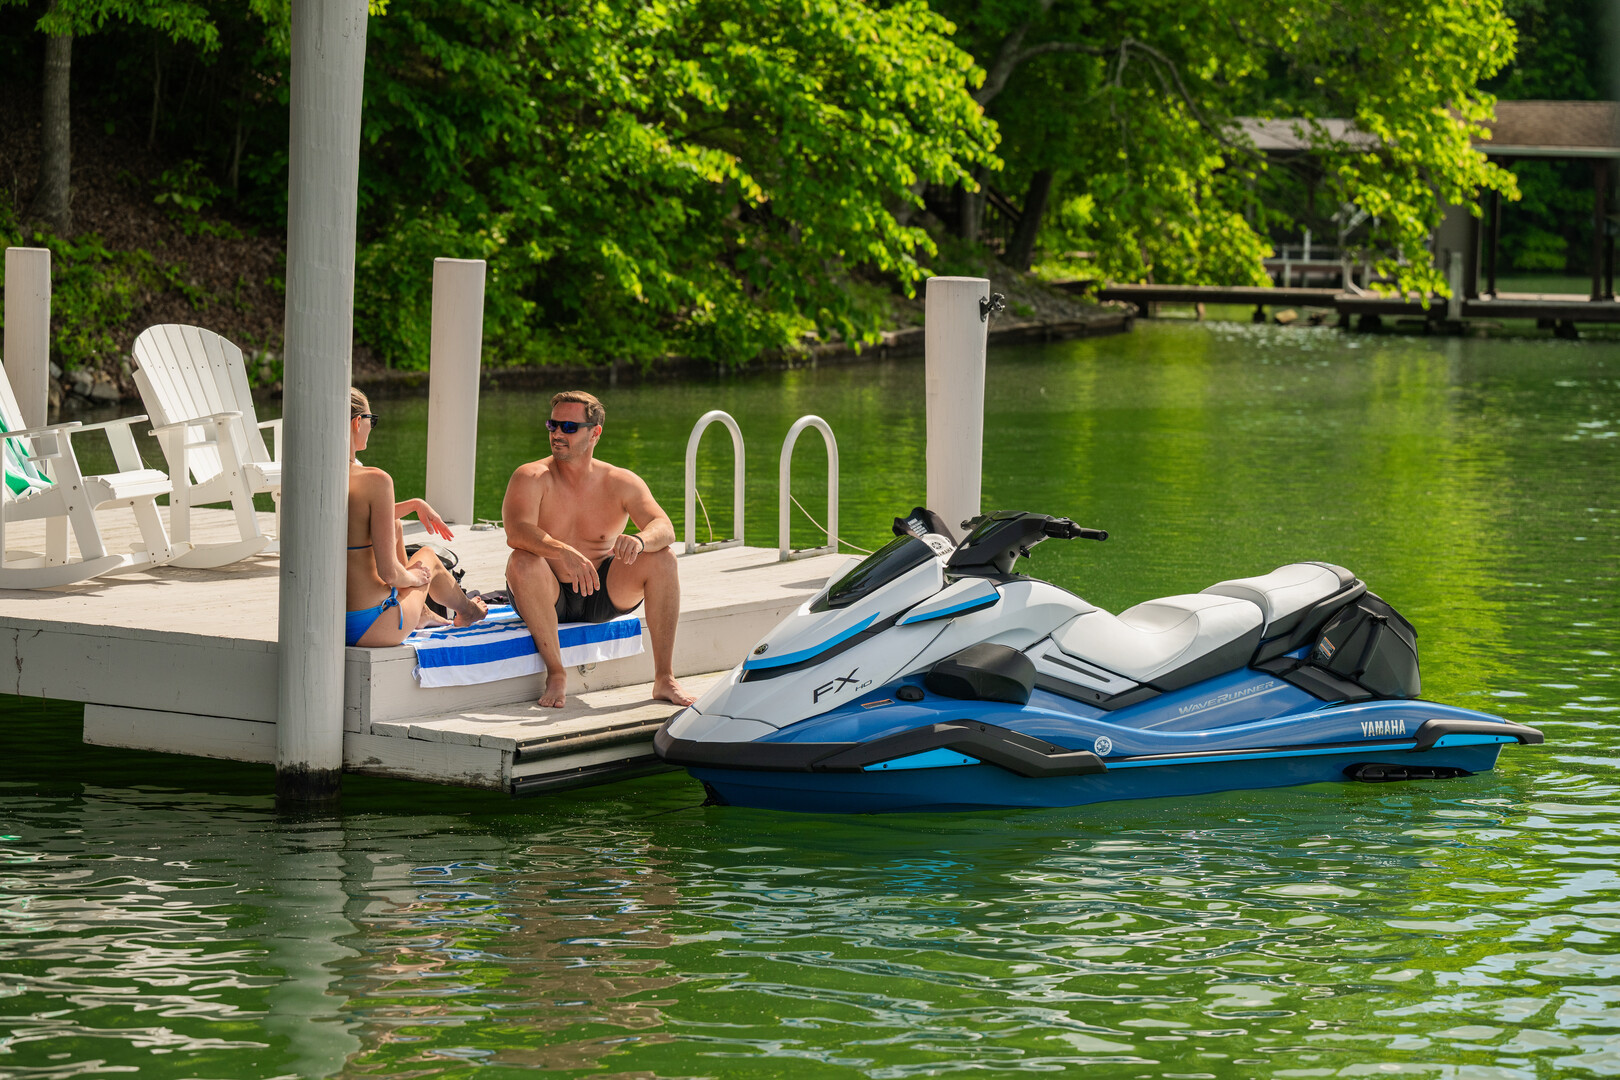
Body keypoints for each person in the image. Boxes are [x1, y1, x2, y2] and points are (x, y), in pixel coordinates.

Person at [504, 390, 693, 709]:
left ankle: (664, 678)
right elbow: (517, 531)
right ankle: (556, 673)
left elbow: (664, 527)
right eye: (552, 425)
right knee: (521, 560)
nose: (557, 433)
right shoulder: (532, 476)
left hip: (602, 591)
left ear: (595, 433)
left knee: (663, 558)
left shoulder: (620, 481)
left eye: (568, 427)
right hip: (548, 591)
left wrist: (640, 540)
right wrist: (560, 551)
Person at [346, 388, 487, 647]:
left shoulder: (320, 476)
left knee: (395, 524)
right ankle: (468, 611)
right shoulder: (376, 480)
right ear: (357, 422)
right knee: (428, 557)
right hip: (374, 624)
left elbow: (358, 519)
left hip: (330, 621)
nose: (371, 427)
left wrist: (414, 504)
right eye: (371, 420)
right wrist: (415, 577)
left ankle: (422, 612)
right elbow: (391, 574)